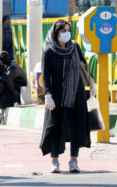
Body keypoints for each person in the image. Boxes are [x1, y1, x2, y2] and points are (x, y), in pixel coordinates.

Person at [40, 19, 93, 174]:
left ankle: (74, 161)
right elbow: (45, 76)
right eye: (63, 31)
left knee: (76, 127)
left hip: (76, 94)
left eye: (68, 30)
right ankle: (54, 161)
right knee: (55, 127)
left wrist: (92, 85)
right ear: (56, 33)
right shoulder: (49, 51)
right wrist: (48, 95)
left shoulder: (75, 47)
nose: (66, 34)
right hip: (56, 96)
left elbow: (83, 66)